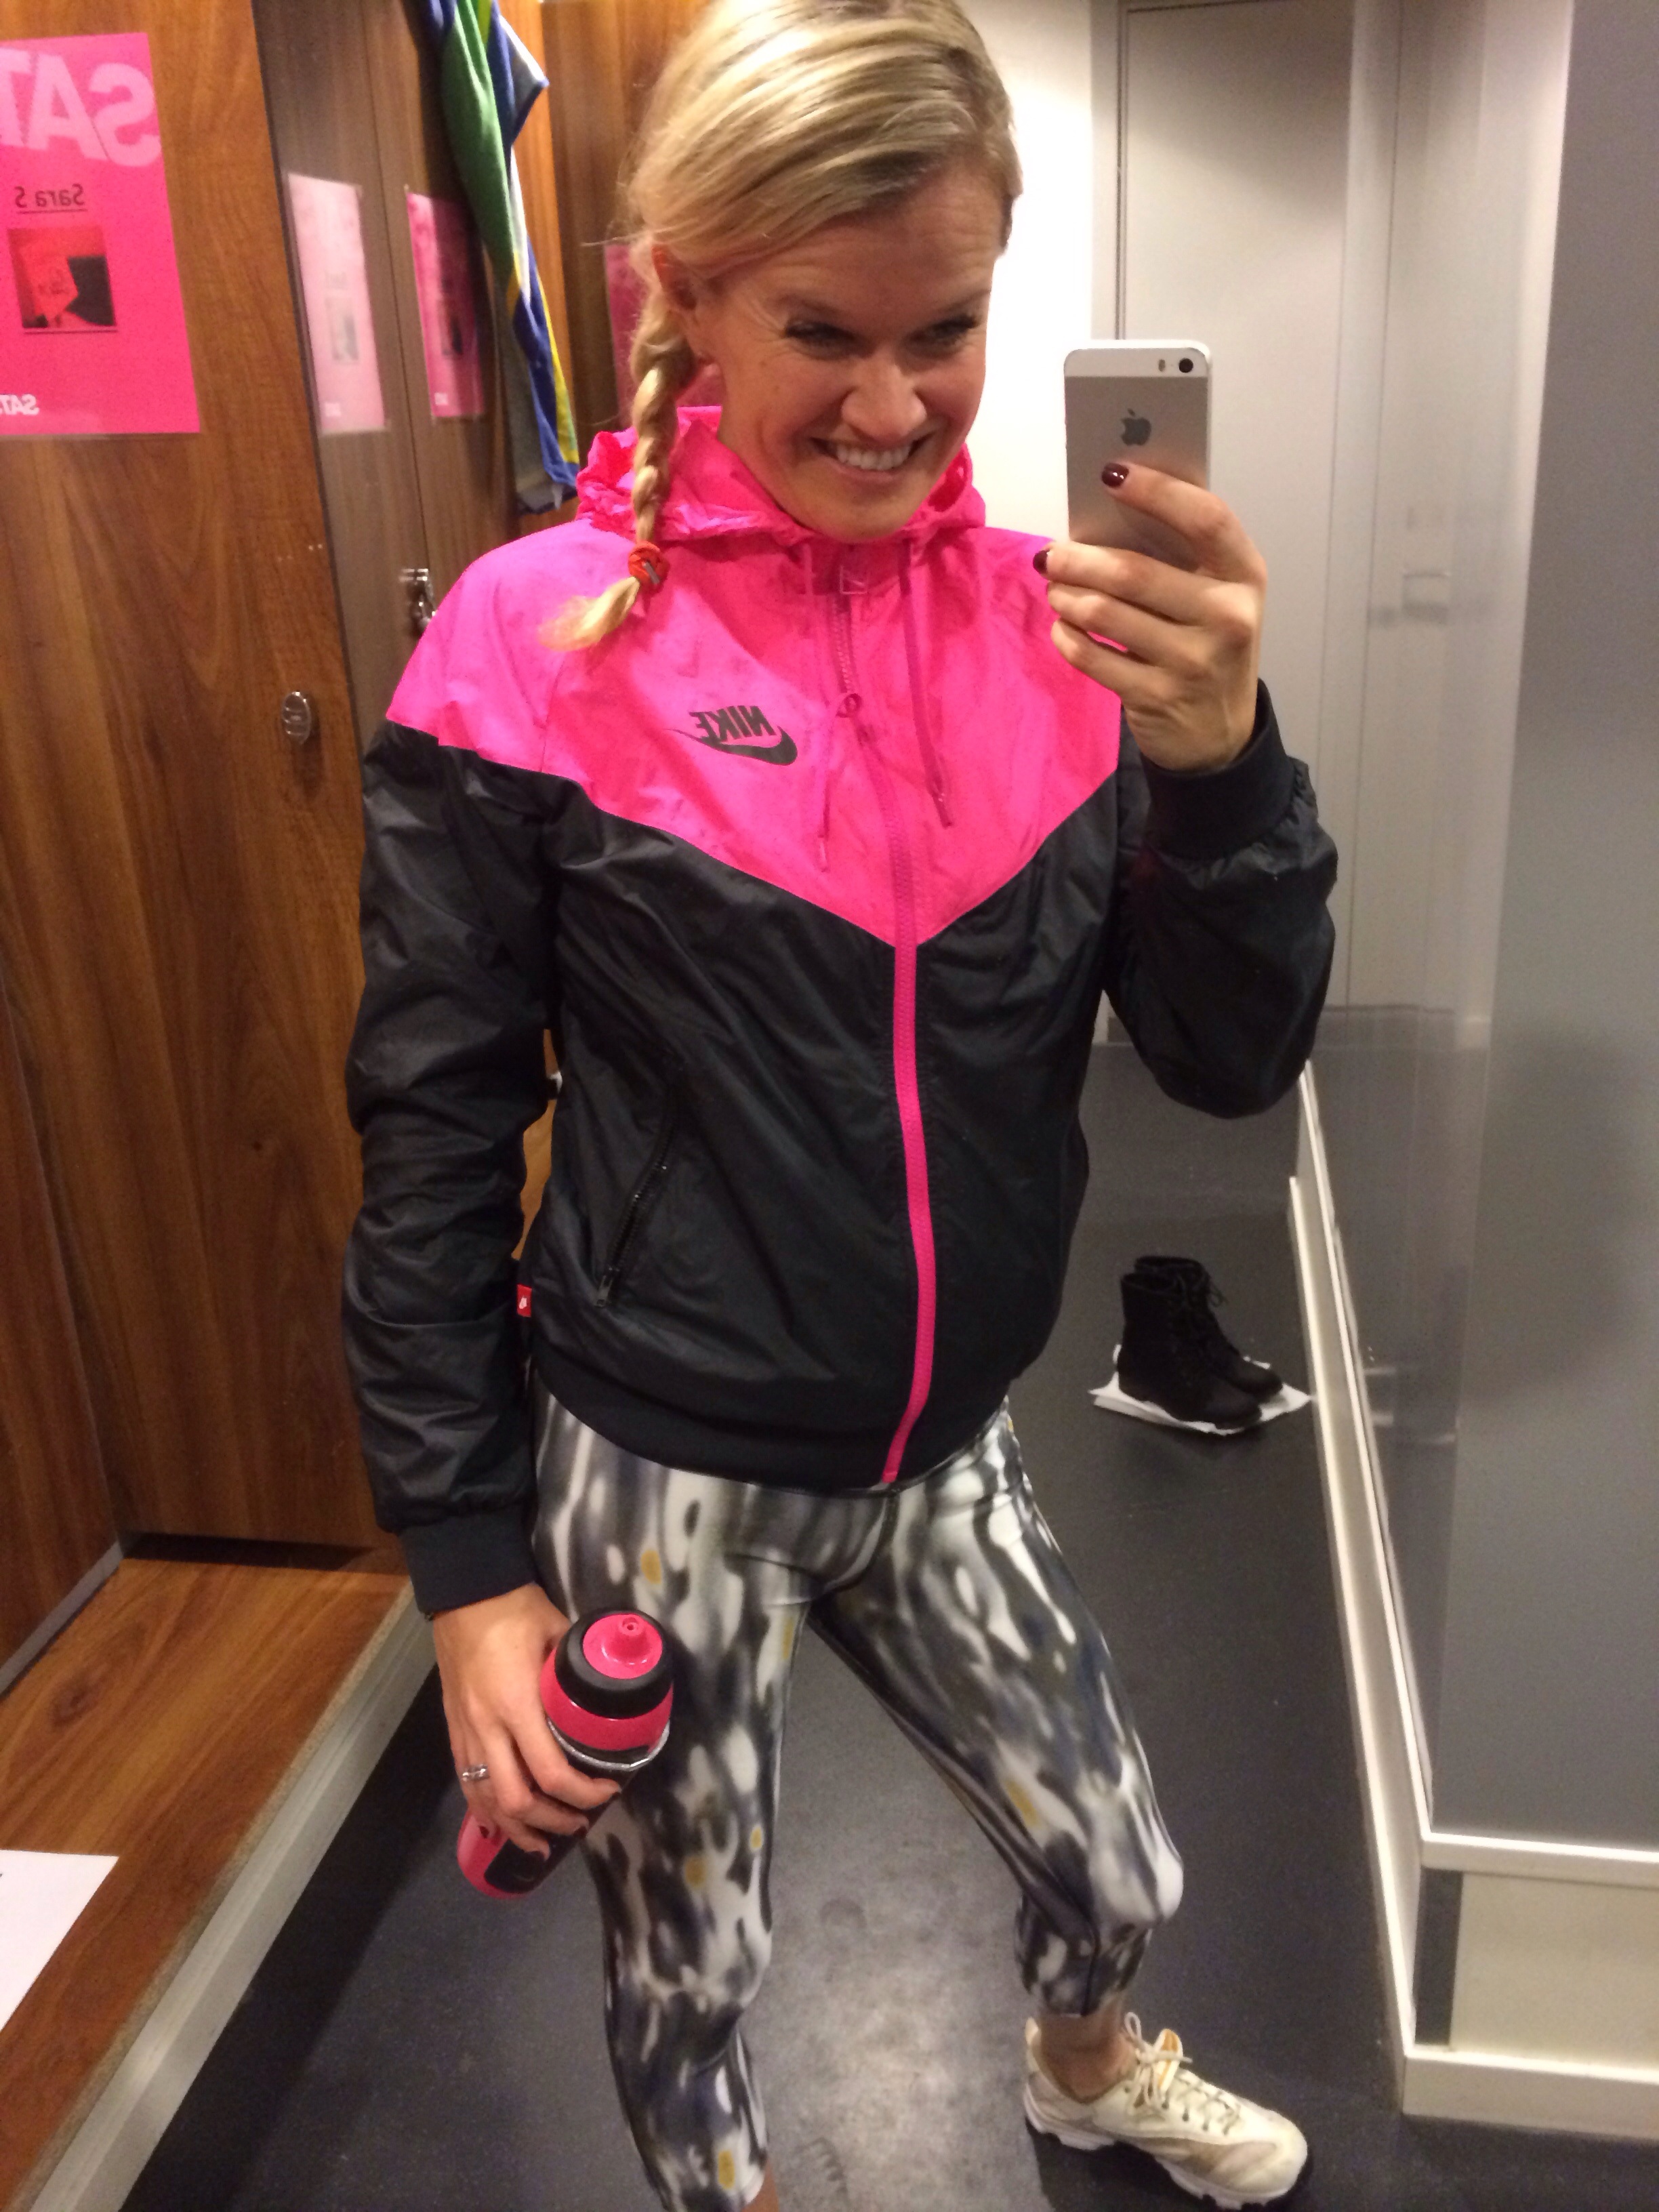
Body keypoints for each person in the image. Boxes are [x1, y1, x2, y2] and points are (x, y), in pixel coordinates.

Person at [342, 3, 1336, 2207]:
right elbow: (430, 1128)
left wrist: (1226, 771)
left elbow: (1229, 1060)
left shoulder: (1070, 631)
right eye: (824, 331)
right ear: (683, 294)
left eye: (947, 329)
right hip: (662, 1467)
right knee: (693, 1970)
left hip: (945, 1444)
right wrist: (469, 1574)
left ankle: (1086, 2070)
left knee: (1122, 1859)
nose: (894, 405)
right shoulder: (523, 645)